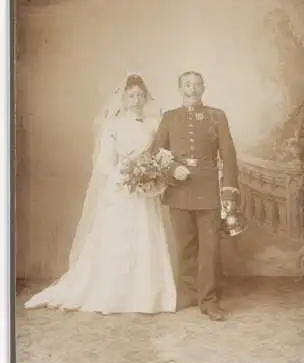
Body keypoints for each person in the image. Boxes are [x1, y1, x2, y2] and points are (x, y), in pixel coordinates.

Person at [24, 73, 177, 314]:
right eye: (131, 95)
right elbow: (104, 162)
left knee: (146, 235)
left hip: (146, 190)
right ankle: (112, 295)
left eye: (140, 95)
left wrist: (150, 175)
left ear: (146, 98)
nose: (136, 100)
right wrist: (127, 176)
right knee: (115, 239)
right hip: (121, 189)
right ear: (123, 99)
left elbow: (161, 153)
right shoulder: (113, 125)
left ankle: (146, 297)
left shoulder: (153, 124)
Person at [151, 71, 240, 321]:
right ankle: (188, 294)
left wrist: (228, 191)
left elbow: (229, 155)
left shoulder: (216, 116)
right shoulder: (169, 117)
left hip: (209, 190)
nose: (192, 89)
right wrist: (171, 169)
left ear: (204, 88)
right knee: (184, 245)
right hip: (178, 189)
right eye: (187, 85)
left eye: (197, 84)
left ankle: (209, 300)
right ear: (180, 89)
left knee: (209, 248)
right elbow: (156, 151)